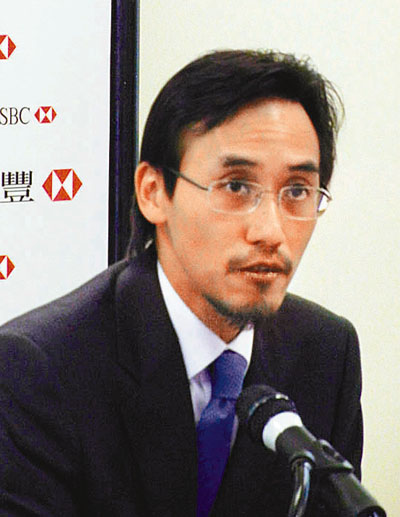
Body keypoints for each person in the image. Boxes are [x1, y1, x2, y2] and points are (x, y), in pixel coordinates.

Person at [0, 50, 362, 516]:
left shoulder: (326, 354)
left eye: (297, 191)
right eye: (236, 186)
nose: (271, 232)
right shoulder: (38, 370)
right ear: (153, 192)